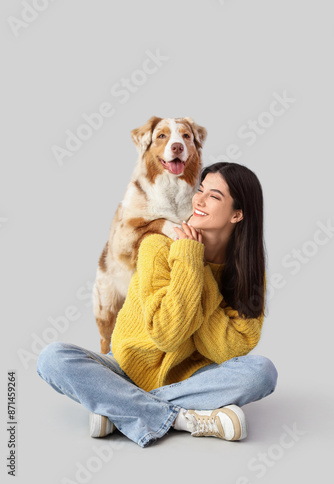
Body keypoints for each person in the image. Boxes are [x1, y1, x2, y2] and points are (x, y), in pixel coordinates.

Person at [37, 162, 278, 448]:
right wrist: (189, 258)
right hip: (126, 368)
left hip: (189, 377)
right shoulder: (157, 247)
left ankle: (118, 408)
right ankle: (185, 419)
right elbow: (166, 334)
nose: (198, 200)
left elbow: (231, 348)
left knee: (262, 372)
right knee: (53, 358)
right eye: (200, 190)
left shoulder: (248, 272)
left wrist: (196, 266)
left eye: (214, 196)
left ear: (237, 214)